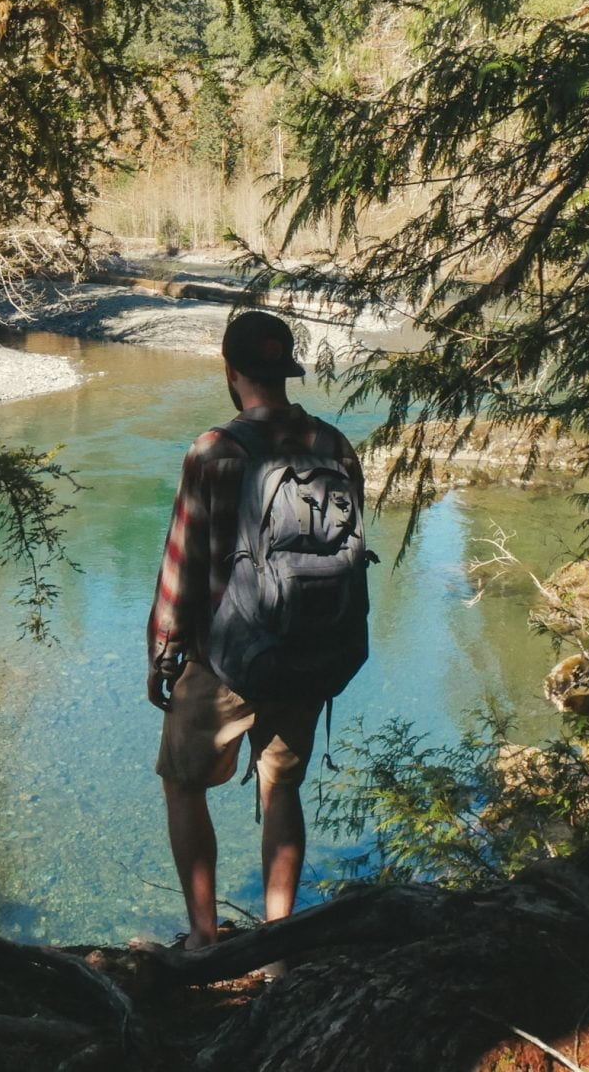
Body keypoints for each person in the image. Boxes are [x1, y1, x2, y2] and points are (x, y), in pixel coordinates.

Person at [147, 309, 366, 952]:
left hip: (227, 659)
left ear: (231, 371)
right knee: (283, 788)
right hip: (309, 650)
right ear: (287, 371)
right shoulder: (334, 446)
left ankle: (204, 938)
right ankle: (276, 952)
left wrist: (163, 654)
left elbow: (181, 565)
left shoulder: (215, 450)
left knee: (183, 783)